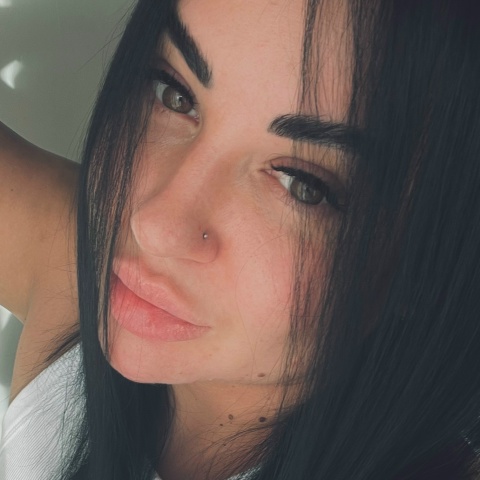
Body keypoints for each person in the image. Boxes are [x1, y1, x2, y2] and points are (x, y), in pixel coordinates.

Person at [1, 0, 480, 478]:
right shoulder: (74, 262)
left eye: (302, 185)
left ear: (426, 266)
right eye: (174, 94)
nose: (156, 227)